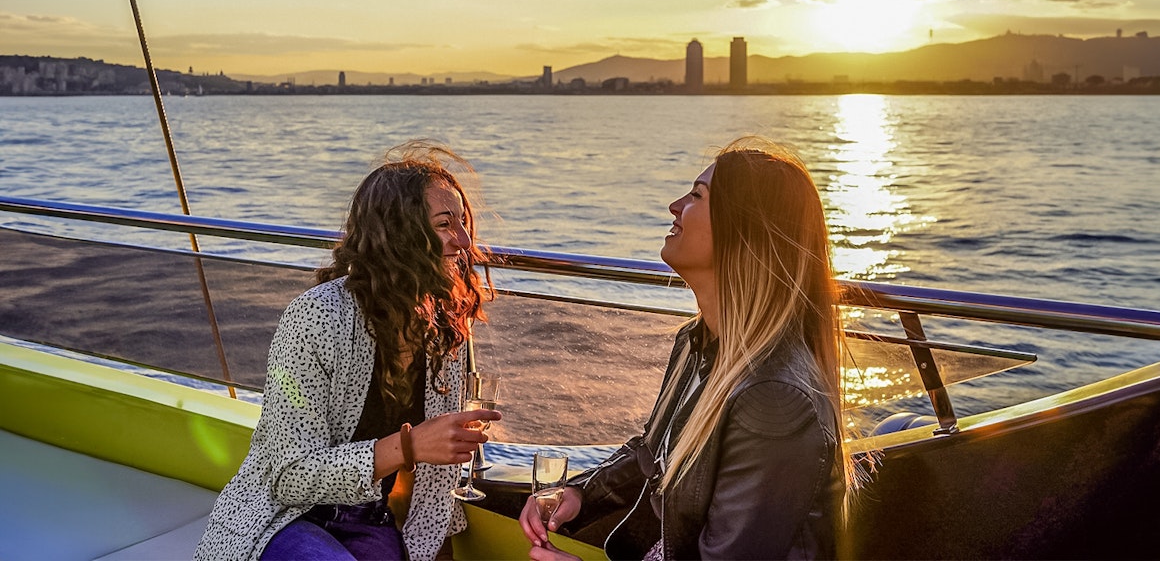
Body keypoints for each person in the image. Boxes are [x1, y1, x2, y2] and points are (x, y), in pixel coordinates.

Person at [519, 137, 858, 560]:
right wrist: (581, 494)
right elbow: (654, 452)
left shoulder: (774, 398)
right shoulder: (698, 342)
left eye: (697, 195)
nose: (675, 206)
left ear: (743, 230)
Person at [195, 141, 500, 561]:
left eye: (464, 222)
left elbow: (434, 486)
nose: (464, 241)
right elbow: (288, 478)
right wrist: (408, 448)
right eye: (445, 224)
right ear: (398, 234)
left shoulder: (445, 326)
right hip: (286, 517)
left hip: (371, 519)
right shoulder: (318, 316)